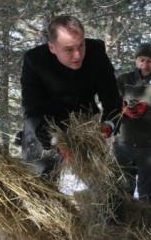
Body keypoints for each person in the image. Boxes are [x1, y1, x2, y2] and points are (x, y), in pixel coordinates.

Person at [20, 15, 122, 176]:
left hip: (84, 123)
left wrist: (108, 125)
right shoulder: (34, 60)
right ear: (52, 47)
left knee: (106, 180)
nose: (77, 55)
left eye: (81, 46)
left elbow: (112, 99)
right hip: (46, 124)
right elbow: (32, 108)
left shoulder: (96, 52)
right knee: (40, 180)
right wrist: (54, 140)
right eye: (68, 49)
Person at [113, 43, 151, 208]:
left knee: (147, 196)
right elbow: (110, 103)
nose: (145, 64)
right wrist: (122, 108)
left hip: (150, 146)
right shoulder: (124, 79)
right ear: (136, 61)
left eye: (149, 61)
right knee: (120, 193)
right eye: (141, 60)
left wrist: (147, 109)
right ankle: (119, 230)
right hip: (123, 144)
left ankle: (146, 231)